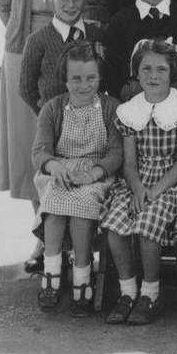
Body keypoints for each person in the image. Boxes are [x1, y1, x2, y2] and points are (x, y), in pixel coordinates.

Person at [0, 0, 85, 274]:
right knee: (34, 145)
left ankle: (77, 237)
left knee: (71, 138)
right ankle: (43, 239)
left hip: (71, 43)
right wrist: (26, 37)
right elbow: (4, 0)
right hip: (24, 47)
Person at [101, 39, 177, 326]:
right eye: (146, 69)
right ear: (136, 72)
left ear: (171, 73)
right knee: (116, 226)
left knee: (146, 227)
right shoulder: (131, 110)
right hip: (138, 179)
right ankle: (127, 291)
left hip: (170, 181)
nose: (153, 76)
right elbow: (129, 163)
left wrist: (153, 191)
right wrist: (139, 188)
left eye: (160, 70)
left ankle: (150, 293)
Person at [30, 41, 120, 317]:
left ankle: (83, 274)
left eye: (91, 78)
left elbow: (116, 151)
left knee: (82, 207)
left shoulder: (110, 108)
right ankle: (53, 273)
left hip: (94, 174)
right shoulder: (53, 108)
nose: (84, 85)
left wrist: (94, 172)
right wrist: (54, 167)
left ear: (100, 77)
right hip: (60, 171)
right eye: (76, 79)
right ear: (65, 80)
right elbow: (40, 150)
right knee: (55, 203)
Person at [19, 0, 105, 114]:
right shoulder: (37, 41)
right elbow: (26, 89)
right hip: (56, 129)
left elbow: (105, 81)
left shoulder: (97, 35)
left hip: (94, 125)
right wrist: (47, 116)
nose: (70, 5)